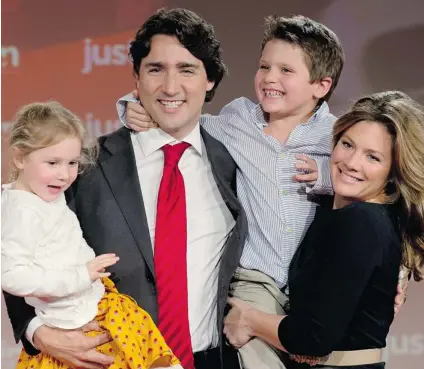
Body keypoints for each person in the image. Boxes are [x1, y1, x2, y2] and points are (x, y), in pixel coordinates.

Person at [119, 15, 407, 369]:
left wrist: (323, 178)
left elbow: (371, 188)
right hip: (258, 277)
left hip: (312, 282)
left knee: (312, 347)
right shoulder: (238, 120)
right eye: (264, 66)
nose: (270, 77)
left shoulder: (336, 138)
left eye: (286, 70)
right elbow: (183, 118)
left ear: (321, 84)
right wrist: (133, 108)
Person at [3, 8, 246, 369]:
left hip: (213, 360)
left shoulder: (234, 160)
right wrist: (37, 330)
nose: (170, 87)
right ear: (136, 78)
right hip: (111, 358)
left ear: (210, 79)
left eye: (187, 69)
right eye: (155, 69)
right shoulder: (84, 166)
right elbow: (19, 243)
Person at [223, 91, 424, 368]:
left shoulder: (360, 221)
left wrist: (249, 319)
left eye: (373, 158)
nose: (351, 163)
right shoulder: (364, 215)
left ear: (392, 170)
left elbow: (313, 337)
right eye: (347, 144)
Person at [1, 101, 181, 369]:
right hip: (71, 323)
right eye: (52, 163)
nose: (64, 175)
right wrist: (80, 275)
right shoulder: (21, 210)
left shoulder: (42, 194)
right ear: (19, 157)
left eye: (72, 162)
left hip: (95, 302)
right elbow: (10, 274)